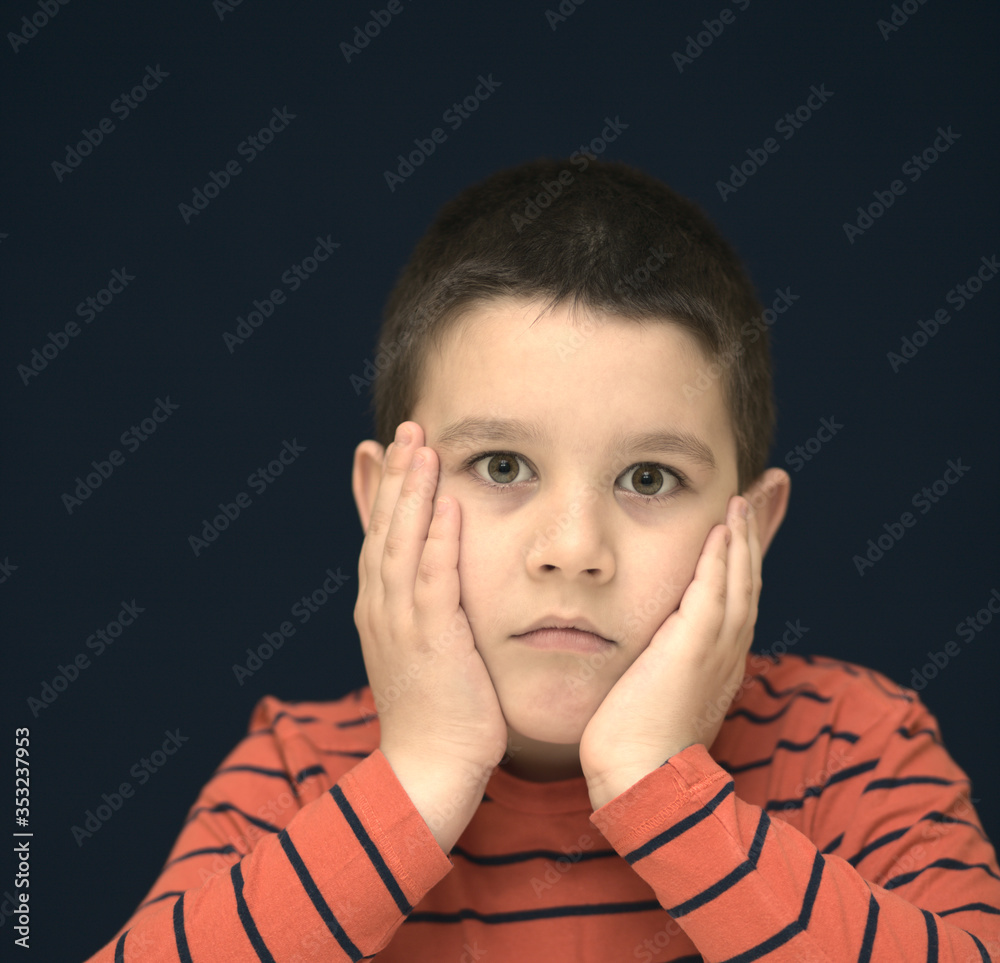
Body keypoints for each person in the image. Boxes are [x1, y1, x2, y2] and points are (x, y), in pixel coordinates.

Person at [83, 158, 1000, 961]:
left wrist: (659, 783)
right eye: (502, 466)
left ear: (750, 529)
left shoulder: (851, 747)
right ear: (384, 502)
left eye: (649, 477)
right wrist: (423, 772)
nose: (573, 550)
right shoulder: (299, 773)